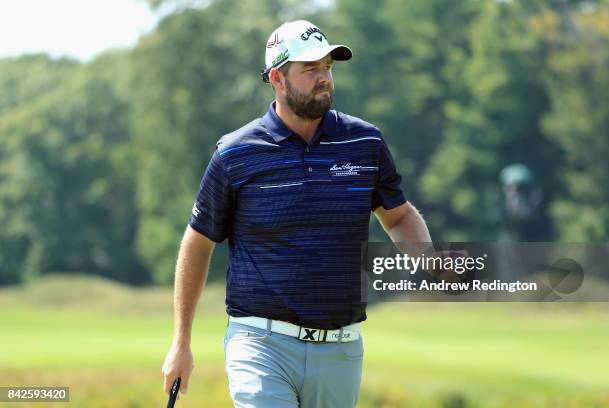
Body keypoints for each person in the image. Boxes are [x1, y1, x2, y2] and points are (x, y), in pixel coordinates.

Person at [162, 20, 435, 407]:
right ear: (278, 78)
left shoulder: (364, 142)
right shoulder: (236, 153)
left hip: (341, 348)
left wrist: (426, 256)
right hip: (260, 342)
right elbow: (198, 242)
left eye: (327, 67)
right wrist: (181, 343)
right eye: (311, 70)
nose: (324, 78)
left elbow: (398, 215)